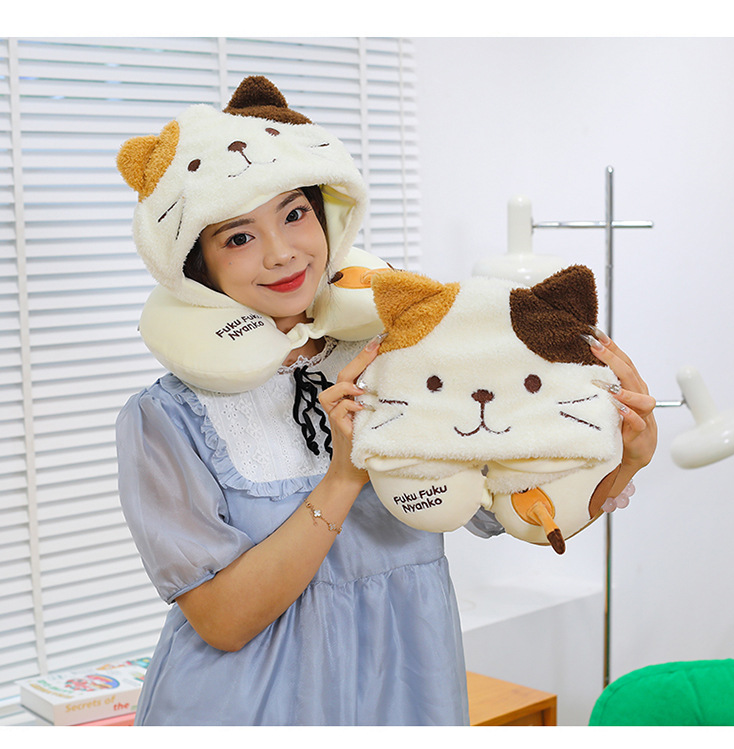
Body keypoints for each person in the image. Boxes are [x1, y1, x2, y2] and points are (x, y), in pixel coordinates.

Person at [115, 76, 657, 726]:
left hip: (405, 686)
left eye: (294, 213)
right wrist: (345, 474)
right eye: (238, 237)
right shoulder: (167, 418)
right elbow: (223, 622)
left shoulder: (405, 359)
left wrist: (624, 456)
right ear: (197, 266)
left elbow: (515, 510)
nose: (282, 252)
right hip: (249, 705)